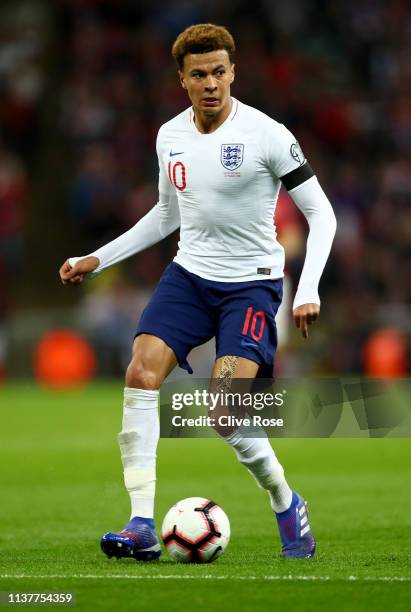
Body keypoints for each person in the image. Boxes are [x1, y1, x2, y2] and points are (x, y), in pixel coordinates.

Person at [59, 23, 336, 560]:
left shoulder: (268, 135)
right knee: (139, 374)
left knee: (224, 414)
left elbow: (320, 213)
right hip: (189, 278)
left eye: (219, 72)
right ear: (181, 80)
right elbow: (167, 213)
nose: (211, 83)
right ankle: (141, 524)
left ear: (233, 73)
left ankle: (286, 501)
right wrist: (99, 258)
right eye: (198, 75)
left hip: (251, 287)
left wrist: (308, 289)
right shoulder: (170, 136)